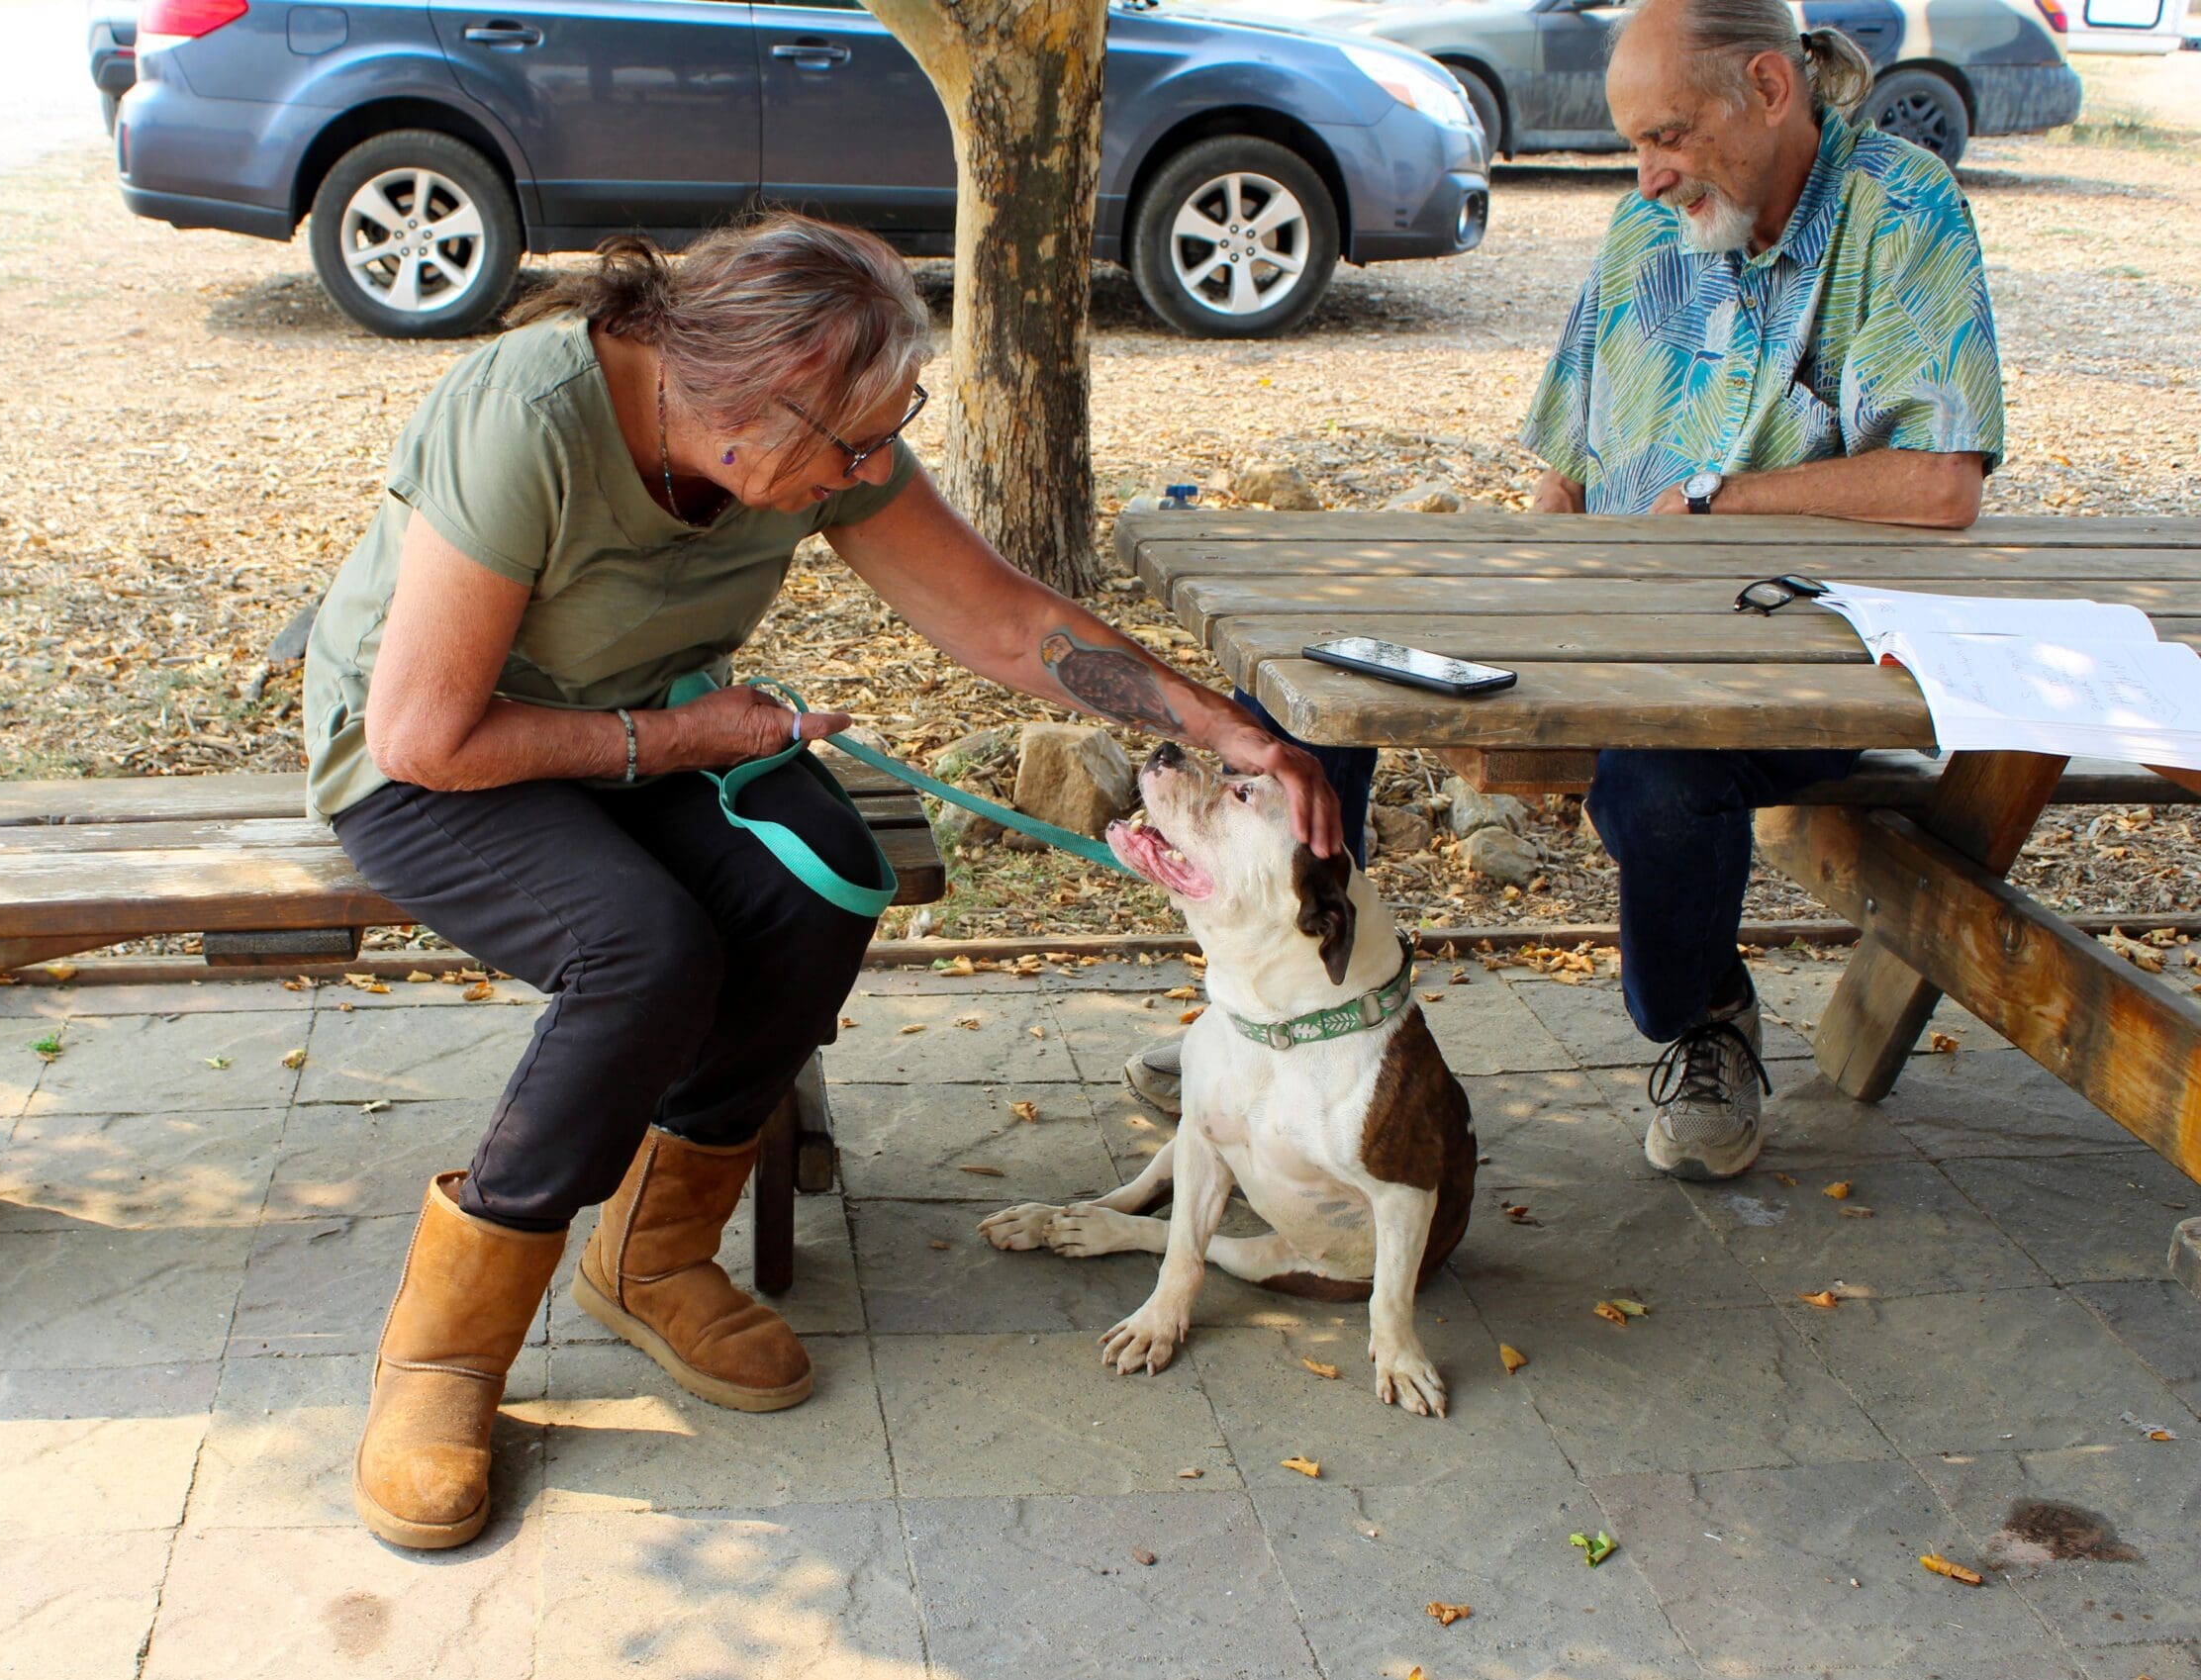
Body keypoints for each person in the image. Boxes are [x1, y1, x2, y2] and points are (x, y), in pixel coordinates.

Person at [306, 214, 1342, 1550]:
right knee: (642, 951)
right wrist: (681, 738)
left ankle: (652, 1254)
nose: (867, 472)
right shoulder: (531, 418)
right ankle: (447, 1350)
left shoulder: (813, 430)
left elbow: (1002, 619)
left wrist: (1224, 730)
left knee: (825, 881)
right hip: (432, 761)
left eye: (883, 437)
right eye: (850, 448)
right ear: (742, 406)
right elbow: (422, 735)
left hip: (647, 730)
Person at [1127, 0, 2004, 1186]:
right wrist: (1509, 601)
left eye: (1669, 137)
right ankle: (1278, 1005)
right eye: (1635, 143)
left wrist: (1722, 500)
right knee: (1302, 684)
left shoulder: (1899, 209)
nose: (1647, 176)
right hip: (1603, 619)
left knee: (1659, 777)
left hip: (1795, 658)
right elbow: (1568, 467)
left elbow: (1940, 483)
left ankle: (1702, 1016)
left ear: (1768, 87)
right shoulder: (1652, 224)